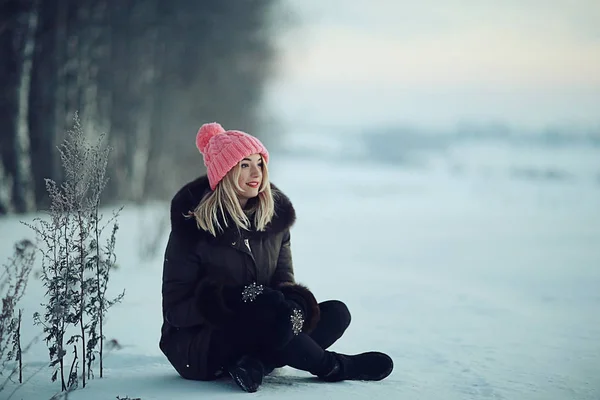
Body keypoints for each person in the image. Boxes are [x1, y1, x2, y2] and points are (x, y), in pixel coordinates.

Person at [159, 122, 393, 392]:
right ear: (224, 171)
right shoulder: (193, 228)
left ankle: (254, 365)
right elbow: (176, 312)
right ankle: (333, 366)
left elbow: (283, 282)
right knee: (267, 314)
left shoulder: (273, 222)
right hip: (199, 345)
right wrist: (234, 299)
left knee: (335, 314)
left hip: (262, 325)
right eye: (244, 164)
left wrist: (294, 305)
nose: (255, 173)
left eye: (260, 163)